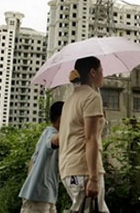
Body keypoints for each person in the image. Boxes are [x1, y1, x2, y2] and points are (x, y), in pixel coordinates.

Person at [59, 56, 109, 213]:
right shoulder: (92, 97)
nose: (103, 73)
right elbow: (90, 138)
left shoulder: (70, 99)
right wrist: (93, 178)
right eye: (101, 70)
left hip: (69, 170)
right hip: (84, 171)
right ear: (93, 72)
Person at [19, 101, 64, 213]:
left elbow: (32, 161)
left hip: (46, 196)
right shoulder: (50, 133)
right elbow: (55, 140)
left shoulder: (46, 133)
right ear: (61, 118)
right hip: (38, 197)